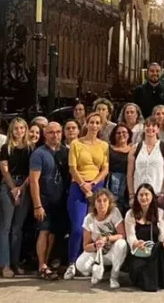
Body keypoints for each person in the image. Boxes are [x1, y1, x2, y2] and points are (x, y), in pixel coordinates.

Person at [65, 112, 109, 280]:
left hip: (97, 187)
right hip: (78, 186)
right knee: (77, 228)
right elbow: (72, 168)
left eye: (98, 123)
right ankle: (71, 263)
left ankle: (89, 265)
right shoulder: (76, 143)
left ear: (101, 125)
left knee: (95, 229)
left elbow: (105, 168)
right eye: (91, 122)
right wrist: (84, 186)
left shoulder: (104, 145)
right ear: (87, 124)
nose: (94, 125)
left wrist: (94, 184)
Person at [29, 122, 67, 280]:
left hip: (60, 199)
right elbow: (33, 181)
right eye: (51, 132)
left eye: (58, 132)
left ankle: (48, 262)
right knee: (43, 231)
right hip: (44, 198)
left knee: (53, 233)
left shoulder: (65, 151)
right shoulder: (39, 154)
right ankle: (41, 265)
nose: (55, 135)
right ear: (45, 134)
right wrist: (37, 205)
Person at [0, 117, 33, 277]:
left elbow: (32, 171)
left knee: (17, 228)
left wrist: (22, 188)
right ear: (12, 130)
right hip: (8, 185)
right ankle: (4, 265)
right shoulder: (6, 147)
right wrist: (13, 189)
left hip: (24, 185)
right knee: (5, 226)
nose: (19, 131)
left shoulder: (31, 148)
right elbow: (4, 170)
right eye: (16, 128)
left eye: (22, 128)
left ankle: (15, 263)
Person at [74, 188, 127, 288]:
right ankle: (97, 270)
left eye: (105, 200)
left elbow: (122, 235)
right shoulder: (89, 218)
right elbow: (86, 246)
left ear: (109, 202)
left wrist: (107, 239)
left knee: (122, 243)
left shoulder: (114, 212)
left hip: (112, 252)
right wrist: (95, 245)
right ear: (94, 203)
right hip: (97, 253)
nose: (102, 204)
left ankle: (114, 277)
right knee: (80, 265)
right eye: (98, 201)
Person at [125, 183, 164, 292]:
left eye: (147, 194)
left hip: (154, 251)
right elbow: (130, 235)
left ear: (152, 196)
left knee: (159, 247)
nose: (144, 198)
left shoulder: (160, 213)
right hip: (139, 252)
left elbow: (163, 233)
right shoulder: (131, 214)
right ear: (137, 197)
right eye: (141, 195)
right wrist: (136, 243)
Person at [128, 116, 164, 209]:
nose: (150, 128)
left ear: (157, 129)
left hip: (157, 194)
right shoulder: (135, 148)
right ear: (144, 128)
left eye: (153, 126)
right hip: (139, 194)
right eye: (147, 125)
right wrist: (131, 195)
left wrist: (163, 193)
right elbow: (130, 174)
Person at [108, 124, 133, 216]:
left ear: (129, 134)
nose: (121, 134)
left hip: (128, 184)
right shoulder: (109, 148)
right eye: (118, 133)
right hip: (112, 183)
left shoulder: (134, 149)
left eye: (124, 132)